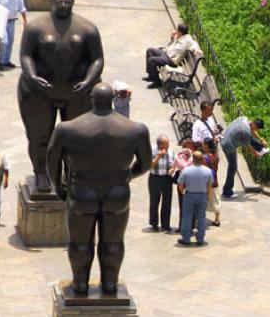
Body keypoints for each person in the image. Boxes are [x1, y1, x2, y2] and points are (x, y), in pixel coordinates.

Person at [46, 82, 152, 294]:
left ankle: (80, 283)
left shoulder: (68, 129)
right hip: (117, 192)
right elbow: (145, 164)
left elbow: (52, 161)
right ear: (113, 99)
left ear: (90, 99)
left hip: (81, 191)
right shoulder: (135, 129)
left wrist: (58, 187)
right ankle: (110, 284)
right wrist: (127, 175)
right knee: (113, 242)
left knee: (79, 243)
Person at [18, 0, 104, 191]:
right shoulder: (35, 27)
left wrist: (88, 82)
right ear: (51, 2)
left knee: (76, 138)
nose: (63, 5)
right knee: (39, 137)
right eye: (59, 1)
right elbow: (25, 55)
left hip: (77, 92)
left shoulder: (87, 28)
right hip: (39, 92)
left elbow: (97, 59)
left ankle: (71, 173)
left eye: (67, 1)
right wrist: (32, 76)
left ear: (73, 2)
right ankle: (41, 172)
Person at [220, 117, 269, 198]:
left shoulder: (244, 119)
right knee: (233, 167)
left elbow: (252, 131)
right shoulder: (246, 131)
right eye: (257, 129)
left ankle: (261, 148)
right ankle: (227, 192)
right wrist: (256, 153)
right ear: (254, 125)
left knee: (250, 137)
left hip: (224, 137)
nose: (257, 131)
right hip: (228, 145)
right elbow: (247, 145)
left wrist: (260, 139)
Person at [143, 23, 201, 88]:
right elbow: (172, 45)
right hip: (165, 53)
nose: (175, 31)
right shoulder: (179, 36)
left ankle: (157, 82)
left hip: (170, 60)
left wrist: (196, 50)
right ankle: (151, 76)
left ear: (180, 32)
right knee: (149, 50)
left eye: (177, 30)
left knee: (151, 60)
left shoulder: (187, 40)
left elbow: (194, 44)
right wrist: (172, 37)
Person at [177, 151, 213, 246]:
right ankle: (200, 239)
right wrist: (208, 196)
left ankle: (186, 238)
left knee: (187, 217)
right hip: (202, 196)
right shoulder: (207, 171)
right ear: (201, 159)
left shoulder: (186, 170)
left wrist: (183, 192)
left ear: (193, 159)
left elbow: (180, 183)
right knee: (201, 217)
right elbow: (209, 185)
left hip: (189, 195)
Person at [148, 135, 175, 232]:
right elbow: (150, 166)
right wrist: (159, 156)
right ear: (160, 144)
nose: (168, 145)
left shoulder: (171, 151)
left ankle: (165, 224)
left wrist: (172, 169)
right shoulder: (152, 150)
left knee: (167, 202)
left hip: (167, 178)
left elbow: (173, 164)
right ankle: (154, 223)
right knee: (154, 201)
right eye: (166, 143)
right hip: (155, 178)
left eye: (168, 143)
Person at [168, 138, 193, 232]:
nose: (187, 148)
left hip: (191, 183)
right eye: (186, 146)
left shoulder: (195, 157)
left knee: (190, 205)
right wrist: (171, 170)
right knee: (182, 204)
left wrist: (190, 156)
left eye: (190, 146)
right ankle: (181, 225)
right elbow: (174, 167)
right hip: (181, 183)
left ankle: (191, 226)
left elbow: (187, 167)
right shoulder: (179, 156)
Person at [202, 138, 221, 226]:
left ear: (206, 145)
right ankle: (217, 218)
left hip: (206, 182)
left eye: (203, 144)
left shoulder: (205, 157)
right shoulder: (216, 156)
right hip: (214, 180)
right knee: (215, 199)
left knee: (205, 199)